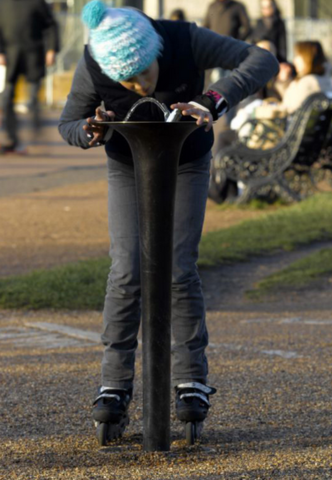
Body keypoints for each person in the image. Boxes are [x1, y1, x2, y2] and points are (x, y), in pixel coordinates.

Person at [58, 0, 279, 440]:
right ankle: (114, 385)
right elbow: (68, 123)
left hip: (187, 161)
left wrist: (214, 99)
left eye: (146, 73)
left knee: (179, 269)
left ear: (157, 51)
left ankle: (191, 380)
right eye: (128, 79)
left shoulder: (185, 39)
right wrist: (90, 131)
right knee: (125, 272)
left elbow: (263, 59)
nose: (141, 86)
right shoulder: (94, 59)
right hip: (128, 166)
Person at [0, 0, 59, 154]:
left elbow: (51, 25)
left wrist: (51, 49)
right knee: (6, 98)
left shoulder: (37, 2)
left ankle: (37, 139)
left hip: (34, 55)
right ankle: (12, 140)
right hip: (10, 57)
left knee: (33, 99)